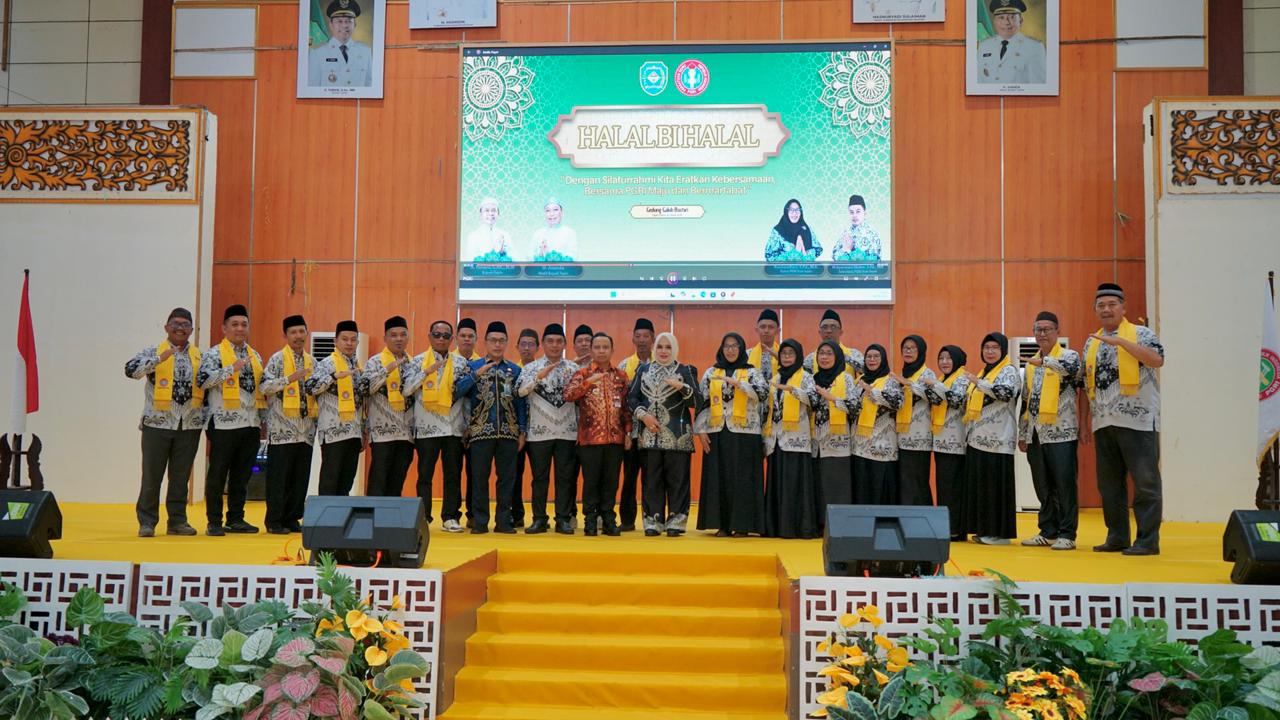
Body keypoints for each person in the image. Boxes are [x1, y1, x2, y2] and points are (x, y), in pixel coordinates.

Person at [1082, 283, 1166, 556]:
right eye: (1101, 305)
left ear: (1123, 307)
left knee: (1145, 483)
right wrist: (1085, 422)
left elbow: (1157, 360)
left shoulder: (1141, 333)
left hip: (1138, 422)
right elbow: (1086, 384)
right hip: (1103, 422)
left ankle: (1147, 541)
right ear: (1095, 310)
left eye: (1112, 304)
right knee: (1109, 486)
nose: (1106, 309)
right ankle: (1117, 536)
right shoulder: (1092, 341)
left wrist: (1122, 342)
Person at [125, 307, 204, 537]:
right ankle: (147, 522)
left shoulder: (200, 356)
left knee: (180, 478)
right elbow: (130, 371)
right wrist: (159, 359)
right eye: (175, 324)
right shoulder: (153, 351)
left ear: (191, 330)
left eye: (185, 325)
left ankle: (177, 522)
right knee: (152, 477)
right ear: (166, 327)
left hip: (189, 425)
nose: (180, 328)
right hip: (157, 424)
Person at [197, 304, 265, 536]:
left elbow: (260, 388)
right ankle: (214, 521)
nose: (240, 329)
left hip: (250, 423)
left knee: (242, 474)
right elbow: (202, 381)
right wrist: (230, 369)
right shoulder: (214, 354)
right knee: (218, 473)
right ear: (224, 328)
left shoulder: (255, 355)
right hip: (223, 423)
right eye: (234, 324)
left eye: (244, 324)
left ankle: (236, 518)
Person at [1018, 311, 1083, 551]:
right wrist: (1022, 434)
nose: (1042, 333)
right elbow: (1026, 400)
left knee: (1064, 484)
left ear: (1057, 331)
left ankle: (1067, 533)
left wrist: (1045, 362)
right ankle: (1048, 531)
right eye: (1038, 329)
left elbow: (1072, 371)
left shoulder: (1068, 356)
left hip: (1061, 431)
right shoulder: (1032, 363)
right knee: (1042, 485)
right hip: (1035, 433)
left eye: (1047, 329)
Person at [455, 321, 527, 534]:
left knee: (507, 479)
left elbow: (520, 402)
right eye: (493, 340)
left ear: (506, 343)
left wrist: (522, 430)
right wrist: (475, 375)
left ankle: (503, 521)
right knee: (479, 478)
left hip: (508, 432)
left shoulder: (514, 370)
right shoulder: (472, 367)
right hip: (479, 432)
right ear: (485, 342)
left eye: (501, 341)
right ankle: (480, 521)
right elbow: (456, 392)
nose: (497, 344)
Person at [696, 332, 769, 537]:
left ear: (741, 348)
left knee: (743, 479)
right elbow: (702, 401)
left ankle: (743, 525)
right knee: (720, 479)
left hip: (746, 433)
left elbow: (763, 394)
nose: (730, 350)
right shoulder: (712, 372)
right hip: (717, 431)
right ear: (721, 349)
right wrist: (701, 430)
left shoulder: (752, 372)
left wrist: (740, 384)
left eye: (734, 346)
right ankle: (723, 524)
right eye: (726, 346)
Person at [629, 331, 699, 536]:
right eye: (660, 346)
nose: (663, 351)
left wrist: (682, 387)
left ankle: (676, 521)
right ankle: (653, 521)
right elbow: (631, 398)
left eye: (668, 347)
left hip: (678, 436)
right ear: (654, 348)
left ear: (674, 349)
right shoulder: (643, 370)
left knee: (678, 479)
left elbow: (697, 401)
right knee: (651, 479)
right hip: (649, 434)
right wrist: (643, 416)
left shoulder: (686, 370)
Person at [403, 320, 471, 532]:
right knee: (425, 475)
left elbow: (466, 397)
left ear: (452, 339)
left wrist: (468, 424)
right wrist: (426, 372)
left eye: (445, 335)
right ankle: (424, 517)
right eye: (437, 334)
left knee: (453, 474)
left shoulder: (461, 363)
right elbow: (406, 390)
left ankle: (450, 516)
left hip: (453, 427)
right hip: (426, 427)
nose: (441, 339)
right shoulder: (417, 361)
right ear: (429, 336)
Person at [564, 333, 632, 536]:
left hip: (615, 439)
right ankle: (590, 520)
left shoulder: (621, 376)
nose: (601, 351)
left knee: (611, 482)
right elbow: (568, 395)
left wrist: (629, 432)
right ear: (591, 350)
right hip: (590, 439)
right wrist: (588, 383)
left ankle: (609, 519)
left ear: (612, 350)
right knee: (591, 482)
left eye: (605, 347)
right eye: (597, 347)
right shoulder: (583, 373)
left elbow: (626, 408)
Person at [517, 323, 580, 534]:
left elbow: (580, 402)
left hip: (567, 432)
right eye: (550, 341)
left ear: (564, 344)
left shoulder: (574, 369)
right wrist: (538, 378)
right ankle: (539, 519)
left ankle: (563, 519)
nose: (554, 345)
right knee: (539, 478)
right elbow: (520, 392)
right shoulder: (530, 368)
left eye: (558, 341)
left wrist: (580, 429)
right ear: (542, 344)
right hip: (538, 433)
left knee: (565, 478)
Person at [258, 314, 318, 535]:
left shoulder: (312, 362)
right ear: (285, 335)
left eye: (302, 331)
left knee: (300, 478)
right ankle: (274, 520)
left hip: (305, 429)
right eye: (293, 332)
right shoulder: (277, 359)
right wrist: (289, 379)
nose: (298, 336)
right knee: (279, 478)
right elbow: (264, 387)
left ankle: (292, 518)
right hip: (282, 429)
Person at [962, 332, 1020, 545]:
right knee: (982, 488)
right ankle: (985, 530)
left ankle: (1000, 534)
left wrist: (979, 383)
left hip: (999, 439)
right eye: (986, 347)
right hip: (977, 439)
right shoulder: (984, 372)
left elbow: (1006, 393)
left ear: (1003, 350)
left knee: (997, 487)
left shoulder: (1008, 370)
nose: (990, 351)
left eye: (995, 347)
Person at [764, 339, 820, 539]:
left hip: (797, 439)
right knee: (777, 483)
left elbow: (814, 400)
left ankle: (796, 528)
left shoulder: (806, 377)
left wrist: (793, 391)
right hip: (776, 439)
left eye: (791, 353)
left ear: (798, 356)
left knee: (795, 484)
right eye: (784, 353)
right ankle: (776, 527)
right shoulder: (775, 377)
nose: (787, 357)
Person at [306, 320, 367, 496]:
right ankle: (325, 513)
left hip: (354, 432)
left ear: (358, 342)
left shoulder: (357, 366)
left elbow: (361, 401)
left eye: (353, 340)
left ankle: (341, 513)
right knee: (330, 481)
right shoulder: (327, 364)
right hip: (333, 432)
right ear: (335, 341)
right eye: (345, 339)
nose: (349, 343)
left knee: (346, 482)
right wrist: (333, 377)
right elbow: (310, 387)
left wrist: (364, 430)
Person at [363, 316, 415, 497]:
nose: (399, 339)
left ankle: (392, 513)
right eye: (393, 335)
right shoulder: (375, 362)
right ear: (385, 338)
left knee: (397, 480)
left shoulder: (414, 363)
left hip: (406, 432)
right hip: (382, 432)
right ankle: (372, 512)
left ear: (408, 337)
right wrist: (388, 369)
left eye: (403, 335)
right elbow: (366, 388)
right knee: (379, 479)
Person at [924, 345, 972, 541]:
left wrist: (935, 385)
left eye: (948, 358)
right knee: (944, 486)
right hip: (941, 440)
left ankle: (956, 528)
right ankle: (947, 526)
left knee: (954, 487)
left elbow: (956, 399)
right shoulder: (943, 379)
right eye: (941, 358)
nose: (944, 362)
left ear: (957, 360)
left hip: (956, 441)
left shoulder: (962, 378)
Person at [811, 340, 857, 524]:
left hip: (838, 441)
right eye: (821, 353)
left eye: (829, 353)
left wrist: (832, 398)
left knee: (837, 485)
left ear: (837, 356)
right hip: (815, 441)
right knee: (818, 484)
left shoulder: (845, 379)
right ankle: (820, 524)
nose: (824, 357)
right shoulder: (812, 379)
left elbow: (854, 407)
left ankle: (839, 525)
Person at [851, 344, 903, 504]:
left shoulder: (890, 380)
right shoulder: (859, 380)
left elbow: (898, 402)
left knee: (880, 490)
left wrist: (872, 391)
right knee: (862, 489)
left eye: (876, 356)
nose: (872, 360)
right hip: (859, 444)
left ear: (883, 359)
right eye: (869, 357)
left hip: (882, 444)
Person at [617, 318, 655, 531]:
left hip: (653, 432)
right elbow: (621, 403)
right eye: (638, 336)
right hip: (631, 433)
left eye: (646, 336)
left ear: (653, 338)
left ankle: (651, 520)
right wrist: (625, 431)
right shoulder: (624, 366)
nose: (642, 340)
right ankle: (627, 520)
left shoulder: (660, 363)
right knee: (629, 478)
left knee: (651, 479)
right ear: (632, 338)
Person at [891, 335, 937, 505]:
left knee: (918, 482)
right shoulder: (902, 373)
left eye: (912, 348)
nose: (908, 351)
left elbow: (933, 396)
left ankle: (922, 517)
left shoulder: (927, 373)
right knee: (905, 482)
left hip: (920, 437)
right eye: (905, 348)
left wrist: (908, 384)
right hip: (901, 436)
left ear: (921, 351)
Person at [508, 327, 541, 529]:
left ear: (538, 347)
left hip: (539, 430)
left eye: (531, 344)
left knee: (539, 475)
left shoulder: (543, 370)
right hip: (516, 431)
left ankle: (540, 516)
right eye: (523, 344)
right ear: (517, 346)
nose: (527, 348)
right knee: (514, 474)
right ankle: (516, 514)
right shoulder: (512, 371)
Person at [976, 0, 1047, 85]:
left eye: (1012, 17)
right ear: (995, 21)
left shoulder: (1035, 48)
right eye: (1001, 17)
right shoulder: (984, 46)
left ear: (1020, 21)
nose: (1006, 22)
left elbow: (1039, 86)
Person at [307, 0, 373, 88]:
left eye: (349, 21)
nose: (344, 26)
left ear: (355, 24)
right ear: (331, 24)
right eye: (339, 21)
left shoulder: (365, 52)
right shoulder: (317, 54)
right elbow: (313, 89)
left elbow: (369, 86)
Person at [803, 309, 864, 377]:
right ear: (820, 332)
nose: (829, 331)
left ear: (841, 332)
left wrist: (845, 357)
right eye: (825, 327)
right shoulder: (811, 358)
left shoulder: (853, 354)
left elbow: (866, 370)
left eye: (833, 327)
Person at [832, 195, 883, 261]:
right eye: (851, 212)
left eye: (858, 211)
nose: (854, 215)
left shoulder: (872, 234)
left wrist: (849, 251)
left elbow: (874, 260)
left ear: (865, 213)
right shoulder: (846, 233)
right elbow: (834, 255)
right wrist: (844, 251)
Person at [748, 309, 781, 379]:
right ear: (757, 329)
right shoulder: (747, 355)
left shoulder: (784, 355)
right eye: (763, 327)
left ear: (778, 331)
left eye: (771, 327)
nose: (766, 331)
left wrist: (780, 359)